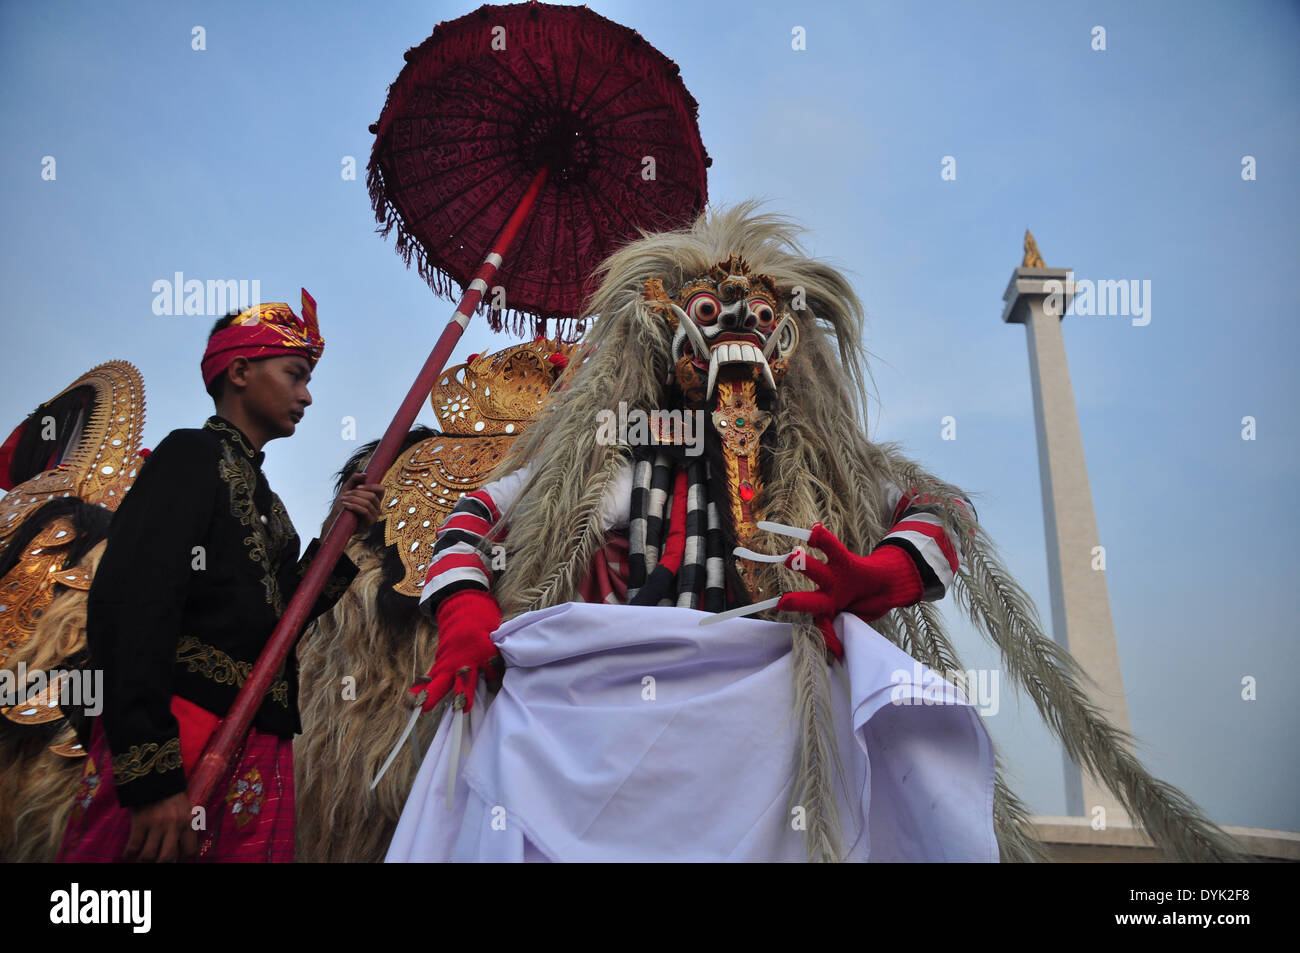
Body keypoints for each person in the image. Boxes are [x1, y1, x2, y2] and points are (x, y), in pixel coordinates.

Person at [57, 290, 383, 863]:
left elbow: (281, 621)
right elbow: (132, 602)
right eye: (296, 374)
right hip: (180, 728)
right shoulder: (189, 456)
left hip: (253, 735)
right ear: (239, 371)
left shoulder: (272, 508)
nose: (307, 395)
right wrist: (152, 775)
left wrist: (339, 534)